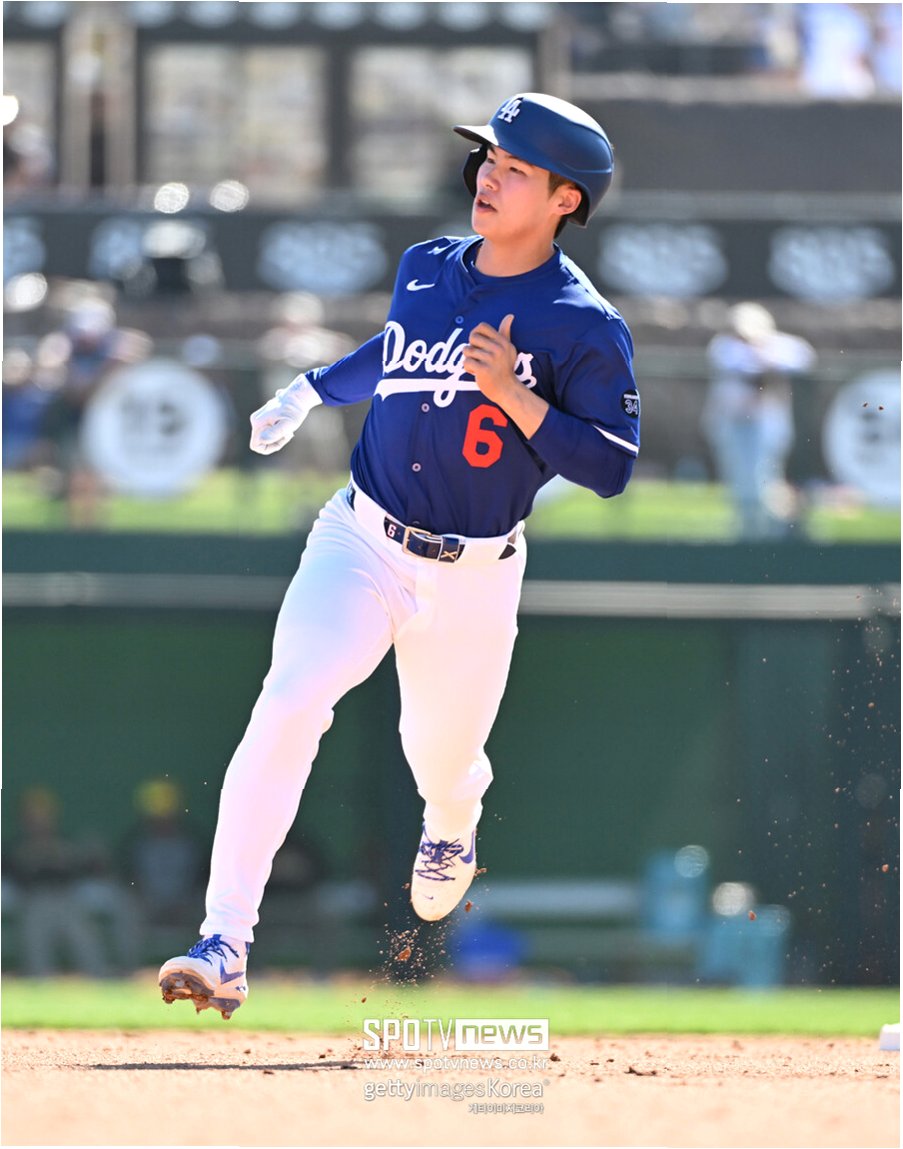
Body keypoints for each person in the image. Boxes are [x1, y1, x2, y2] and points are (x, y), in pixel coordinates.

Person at [159, 92, 640, 1020]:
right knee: (289, 701)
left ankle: (453, 818)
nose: (488, 176)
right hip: (360, 537)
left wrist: (516, 397)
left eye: (515, 168)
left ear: (565, 200)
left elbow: (612, 465)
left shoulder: (581, 321)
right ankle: (225, 939)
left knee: (440, 760)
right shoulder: (426, 266)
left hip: (474, 572)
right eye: (489, 159)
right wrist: (310, 388)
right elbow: (396, 349)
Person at [702, 302, 816, 539]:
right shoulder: (724, 347)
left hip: (764, 426)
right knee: (740, 481)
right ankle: (748, 531)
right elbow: (738, 362)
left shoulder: (777, 345)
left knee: (765, 480)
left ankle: (771, 533)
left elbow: (804, 357)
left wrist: (765, 351)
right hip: (733, 424)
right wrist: (761, 357)